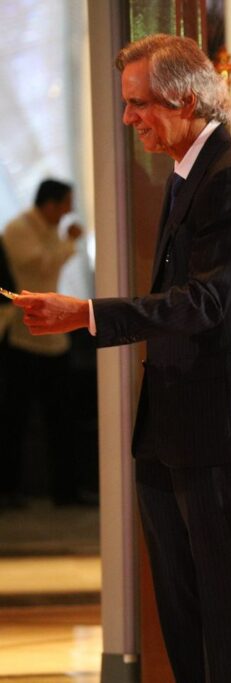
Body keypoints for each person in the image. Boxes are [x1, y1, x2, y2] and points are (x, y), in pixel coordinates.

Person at [13, 34, 231, 682]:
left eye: (139, 103)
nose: (128, 118)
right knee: (180, 592)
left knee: (224, 590)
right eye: (127, 103)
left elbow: (205, 302)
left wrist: (86, 314)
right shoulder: (190, 171)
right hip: (176, 417)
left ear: (186, 99)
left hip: (220, 415)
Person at [0, 179, 83, 509]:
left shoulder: (49, 230)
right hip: (22, 338)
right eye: (66, 204)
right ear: (50, 204)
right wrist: (68, 242)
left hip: (53, 339)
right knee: (13, 420)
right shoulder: (18, 229)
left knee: (63, 418)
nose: (68, 212)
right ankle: (8, 491)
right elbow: (40, 267)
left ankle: (66, 492)